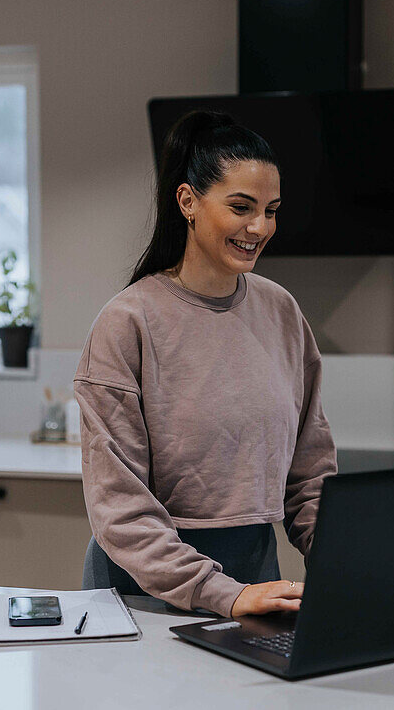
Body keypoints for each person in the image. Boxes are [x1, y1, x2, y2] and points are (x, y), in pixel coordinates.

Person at [73, 109, 337, 618]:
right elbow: (120, 508)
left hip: (256, 579)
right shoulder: (128, 322)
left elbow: (310, 473)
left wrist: (347, 562)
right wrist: (223, 593)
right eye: (241, 207)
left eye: (272, 210)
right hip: (142, 594)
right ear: (188, 202)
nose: (259, 227)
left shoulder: (281, 311)